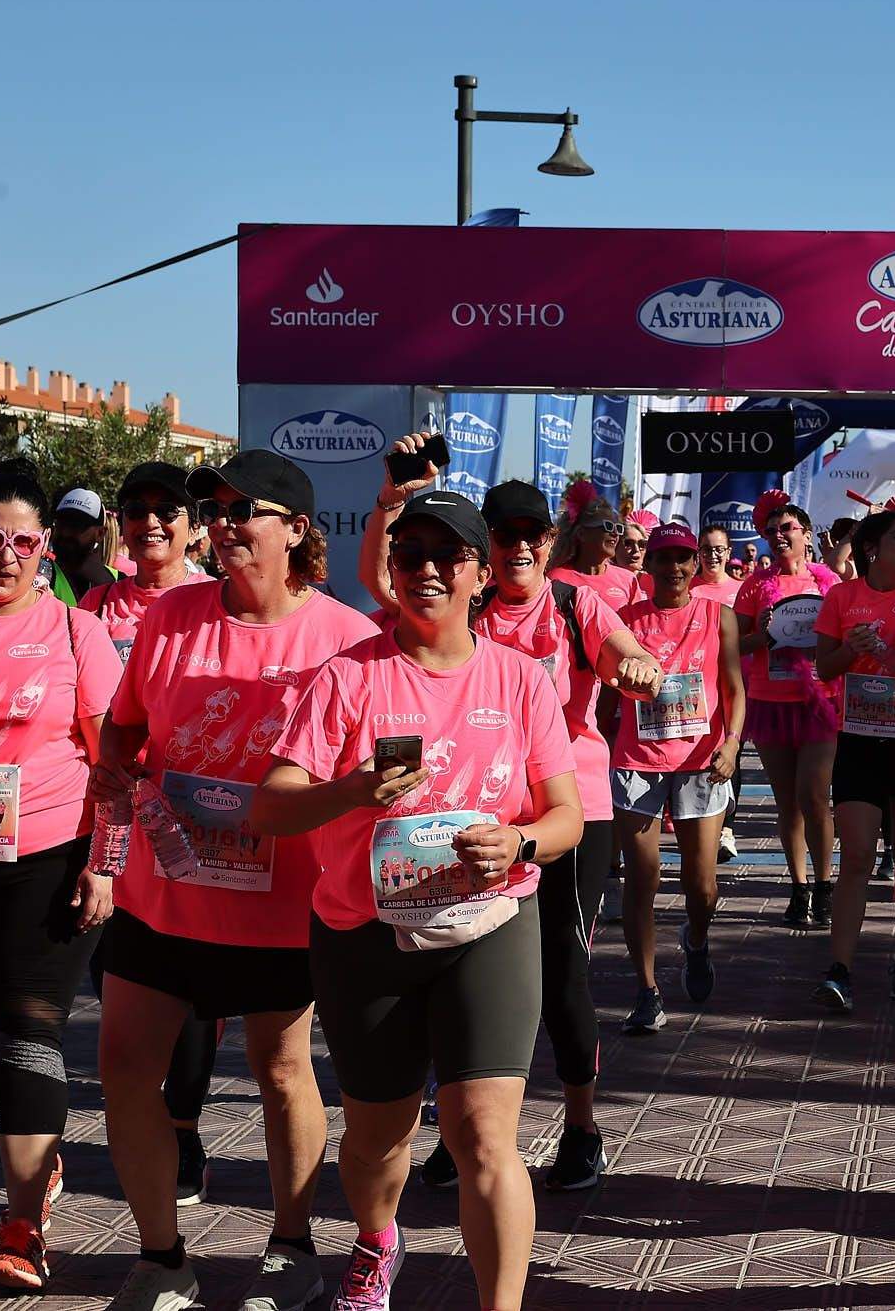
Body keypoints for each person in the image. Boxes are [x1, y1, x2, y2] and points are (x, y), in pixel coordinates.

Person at [254, 488, 582, 1311]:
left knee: (482, 1133)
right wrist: (354, 790)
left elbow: (566, 814)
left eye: (448, 555)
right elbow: (272, 804)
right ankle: (377, 1237)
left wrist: (520, 842)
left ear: (479, 573)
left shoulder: (518, 680)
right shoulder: (349, 677)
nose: (427, 569)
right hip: (366, 934)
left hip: (491, 922)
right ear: (391, 570)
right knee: (376, 1137)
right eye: (410, 555)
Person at [90, 450, 378, 1311]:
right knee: (122, 1065)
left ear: (296, 529)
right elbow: (123, 730)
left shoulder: (344, 638)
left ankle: (291, 1246)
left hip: (284, 905)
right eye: (211, 508)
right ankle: (162, 1257)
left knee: (283, 1071)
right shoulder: (173, 615)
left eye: (241, 509)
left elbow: (362, 778)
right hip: (165, 889)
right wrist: (115, 774)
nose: (221, 523)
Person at [366, 458, 660, 1192]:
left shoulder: (574, 605)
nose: (520, 546)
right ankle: (464, 1126)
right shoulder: (470, 604)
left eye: (533, 533)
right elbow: (382, 586)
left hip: (571, 811)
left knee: (561, 971)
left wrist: (639, 666)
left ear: (551, 541)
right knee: (449, 962)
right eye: (506, 533)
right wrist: (388, 504)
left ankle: (582, 1126)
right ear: (484, 545)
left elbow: (623, 651)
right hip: (479, 816)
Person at [0, 460, 124, 1292]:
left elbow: (119, 765)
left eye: (23, 541)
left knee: (25, 1032)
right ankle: (41, 1165)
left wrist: (107, 864)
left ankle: (23, 1224)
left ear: (45, 547)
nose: (6, 555)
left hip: (50, 855)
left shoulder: (75, 632)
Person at [77, 463, 221, 1208]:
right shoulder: (94, 604)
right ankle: (148, 1110)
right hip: (111, 823)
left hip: (195, 825)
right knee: (119, 981)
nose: (151, 520)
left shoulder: (211, 602)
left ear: (194, 525)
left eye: (168, 508)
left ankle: (184, 1123)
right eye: (135, 508)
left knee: (195, 990)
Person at [811, 509, 895, 1012]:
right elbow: (823, 668)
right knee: (857, 858)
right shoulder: (842, 598)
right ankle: (839, 970)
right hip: (859, 738)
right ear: (872, 549)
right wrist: (850, 649)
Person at [615, 522, 744, 1032]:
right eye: (663, 558)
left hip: (701, 761)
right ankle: (646, 990)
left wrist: (732, 743)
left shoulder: (719, 616)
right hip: (638, 762)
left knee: (702, 885)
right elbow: (606, 691)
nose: (673, 568)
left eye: (683, 558)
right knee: (641, 879)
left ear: (696, 564)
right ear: (648, 565)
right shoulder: (623, 621)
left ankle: (696, 938)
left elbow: (734, 687)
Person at [735, 490, 840, 927]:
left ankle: (825, 884)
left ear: (807, 534)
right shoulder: (755, 586)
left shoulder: (828, 583)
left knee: (814, 796)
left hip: (820, 701)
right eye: (771, 531)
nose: (779, 536)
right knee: (787, 803)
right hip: (770, 701)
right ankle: (798, 887)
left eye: (788, 528)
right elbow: (735, 644)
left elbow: (842, 637)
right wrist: (763, 637)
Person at [550, 497, 640, 615]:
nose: (615, 534)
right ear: (582, 534)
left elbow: (638, 627)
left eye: (618, 528)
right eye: (608, 526)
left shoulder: (628, 579)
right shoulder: (556, 579)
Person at [694, 523, 741, 601]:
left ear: (728, 553)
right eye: (707, 549)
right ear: (699, 552)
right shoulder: (686, 589)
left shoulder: (741, 589)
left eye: (719, 550)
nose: (713, 555)